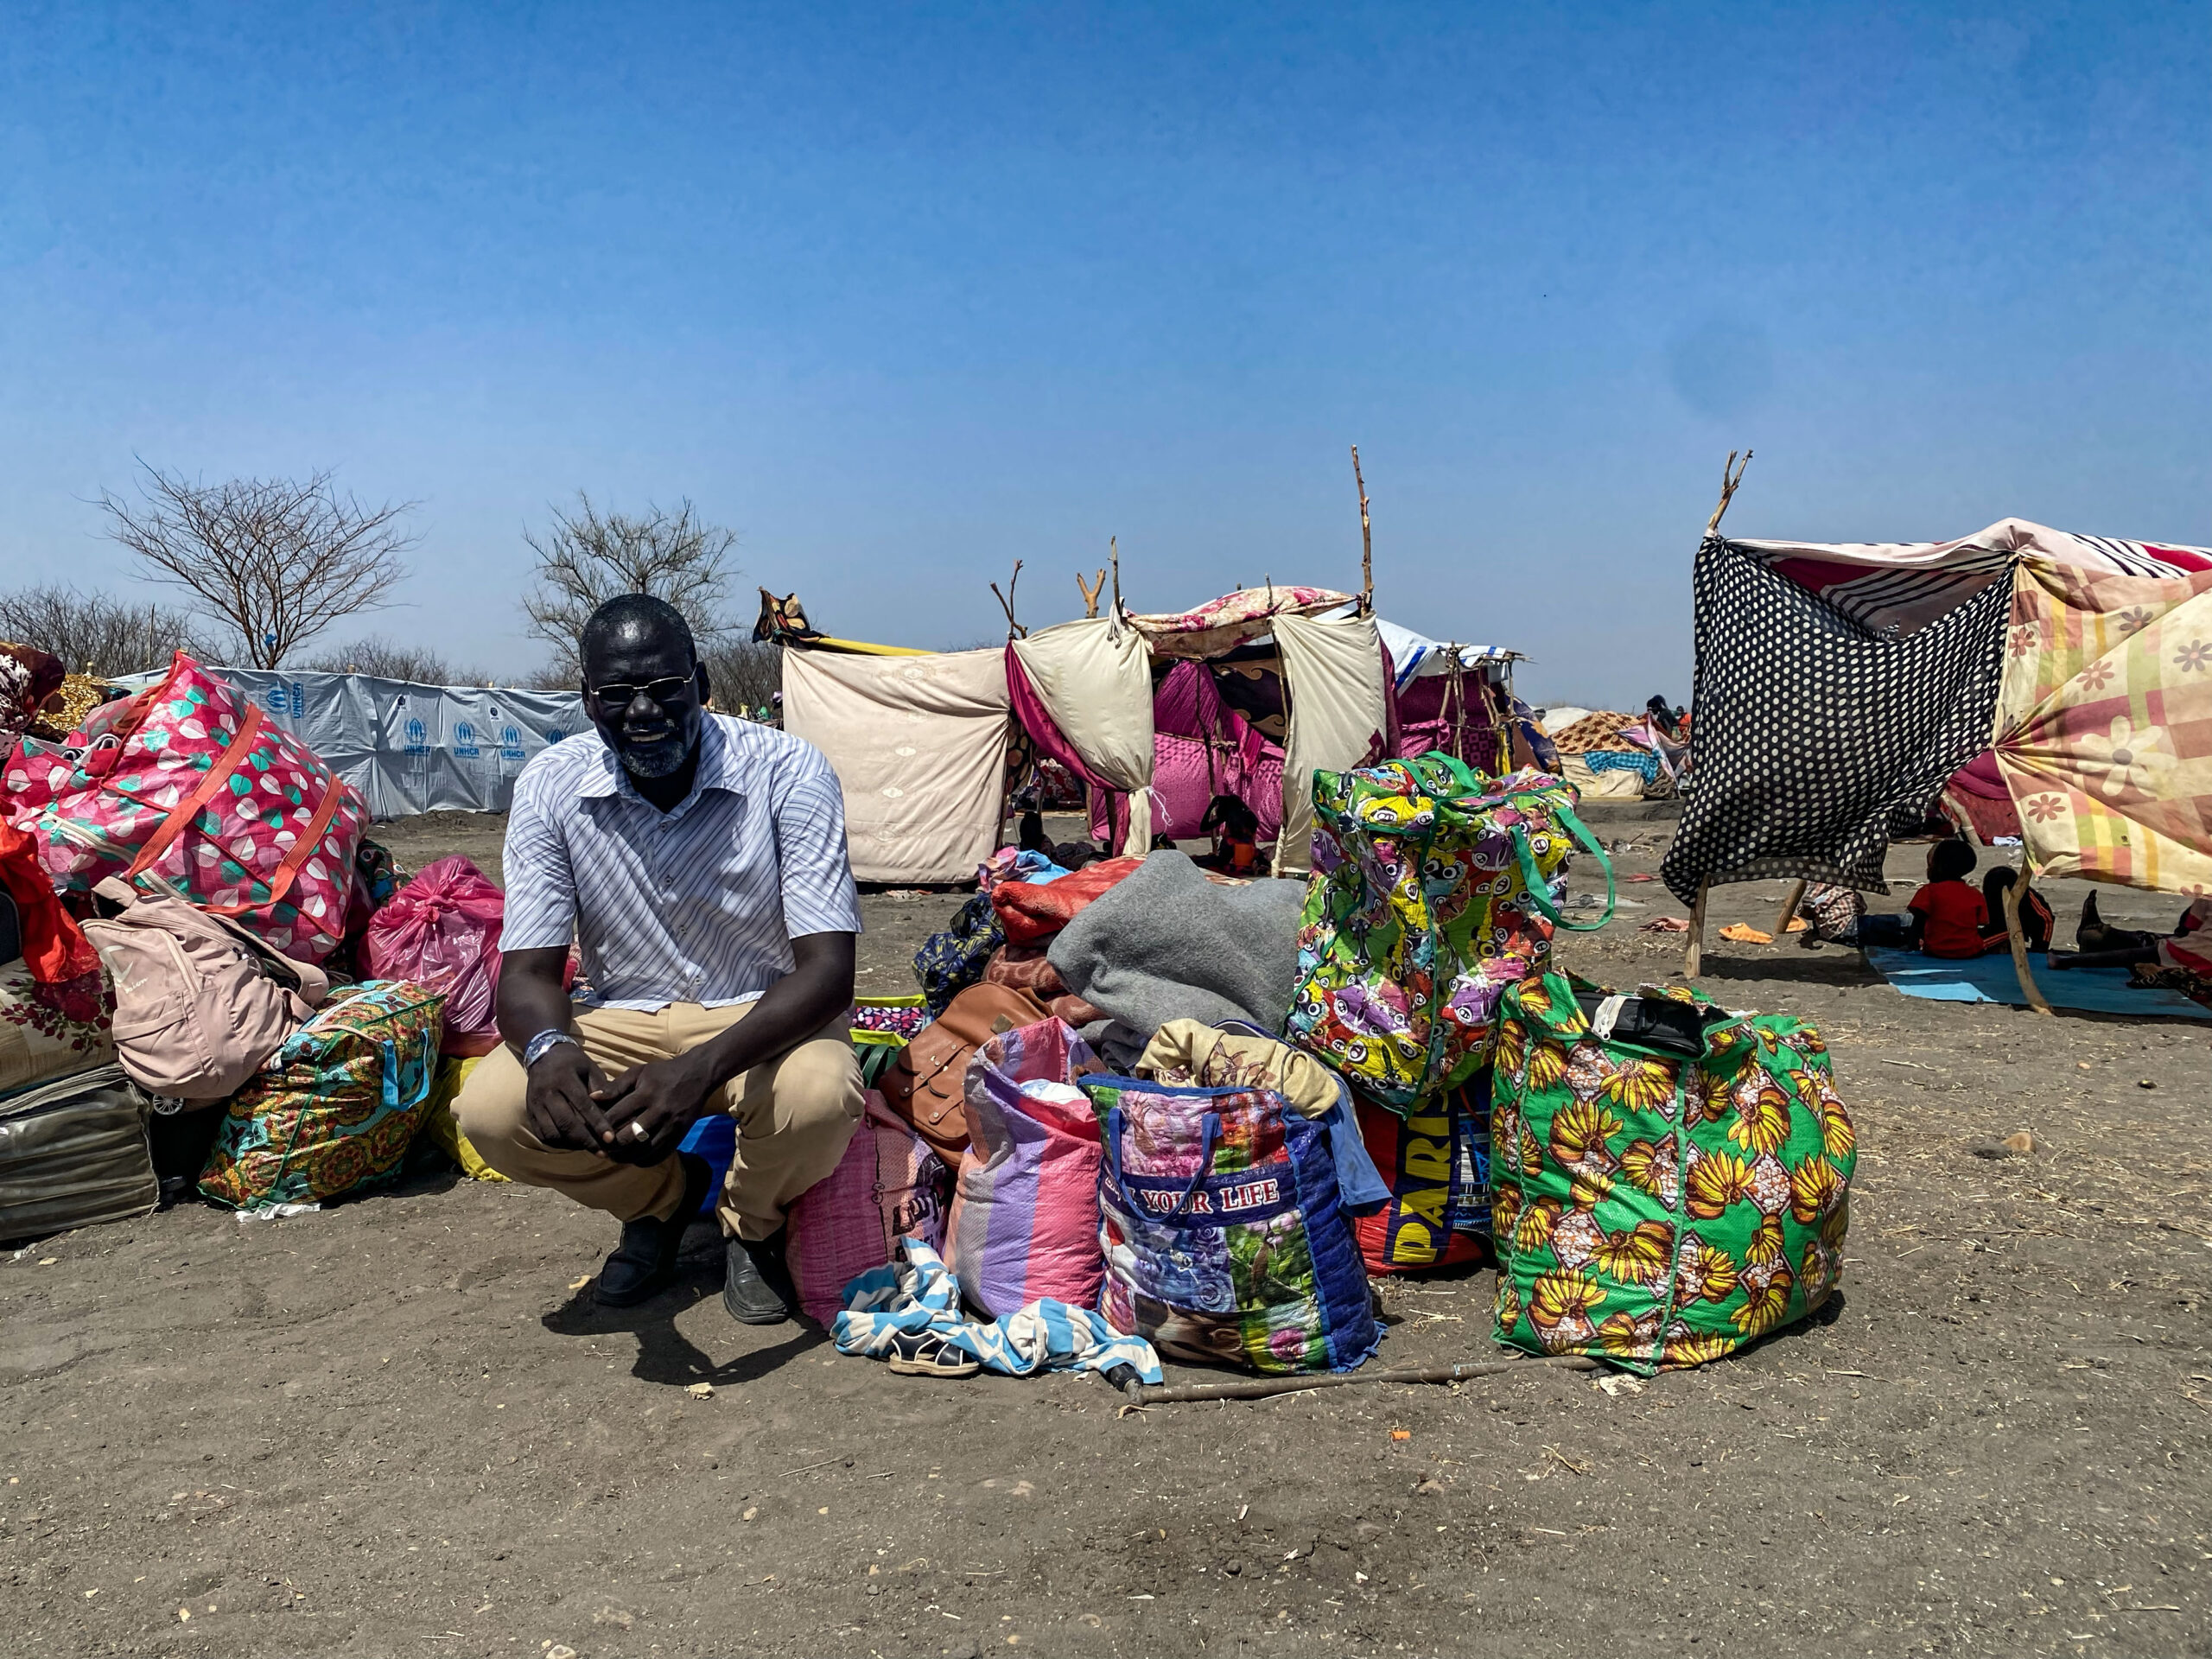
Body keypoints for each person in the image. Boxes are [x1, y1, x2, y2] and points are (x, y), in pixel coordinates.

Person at [456, 594, 863, 1322]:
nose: (643, 712)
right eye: (616, 694)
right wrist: (549, 1048)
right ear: (588, 701)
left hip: (765, 1011)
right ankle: (662, 1203)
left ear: (700, 684)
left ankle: (752, 1224)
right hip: (624, 1014)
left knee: (821, 1095)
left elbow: (829, 971)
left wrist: (699, 1068)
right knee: (491, 1110)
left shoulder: (788, 771)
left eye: (664, 689)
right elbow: (525, 974)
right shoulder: (552, 785)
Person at [2049, 891, 2212, 972]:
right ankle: (2102, 936)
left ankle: (2067, 961)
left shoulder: (2208, 888)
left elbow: (2187, 926)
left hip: (2200, 956)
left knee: (2144, 953)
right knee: (2159, 945)